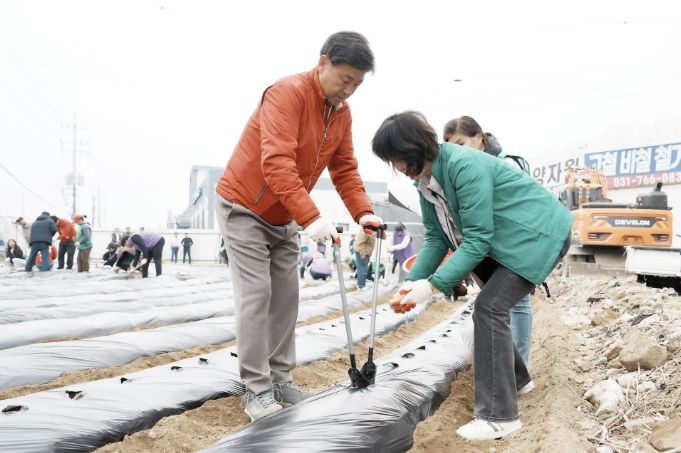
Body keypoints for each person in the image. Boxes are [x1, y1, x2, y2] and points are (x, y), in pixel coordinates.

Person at [371, 111, 572, 441]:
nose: (397, 166)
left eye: (398, 157)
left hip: (537, 237)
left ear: (414, 146)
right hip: (509, 243)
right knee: (490, 309)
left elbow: (478, 239)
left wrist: (432, 286)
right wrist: (410, 283)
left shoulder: (464, 165)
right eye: (391, 161)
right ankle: (519, 380)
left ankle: (499, 416)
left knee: (489, 308)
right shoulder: (425, 183)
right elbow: (436, 238)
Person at [214, 31, 382, 421]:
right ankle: (257, 390)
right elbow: (276, 163)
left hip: (284, 213)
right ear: (323, 63)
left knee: (287, 296)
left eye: (357, 85)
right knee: (257, 294)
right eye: (345, 79)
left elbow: (344, 169)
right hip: (244, 206)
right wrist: (311, 218)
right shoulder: (286, 93)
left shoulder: (341, 113)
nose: (349, 91)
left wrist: (363, 213)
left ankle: (280, 378)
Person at [443, 115, 534, 366]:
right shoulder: (461, 172)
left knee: (518, 304)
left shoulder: (507, 164)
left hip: (514, 244)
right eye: (451, 147)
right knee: (495, 305)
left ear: (479, 138)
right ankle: (503, 365)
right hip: (488, 247)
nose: (456, 151)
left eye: (460, 144)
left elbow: (522, 207)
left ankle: (519, 367)